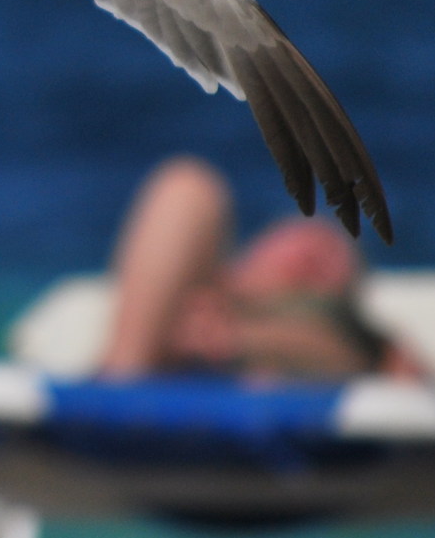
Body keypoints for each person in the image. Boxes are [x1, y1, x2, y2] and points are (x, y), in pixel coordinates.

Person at [96, 155, 408, 382]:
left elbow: (369, 361)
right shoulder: (182, 297)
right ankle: (121, 389)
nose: (310, 256)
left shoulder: (341, 347)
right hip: (135, 385)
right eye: (303, 235)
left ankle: (119, 391)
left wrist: (234, 339)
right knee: (189, 187)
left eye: (324, 269)